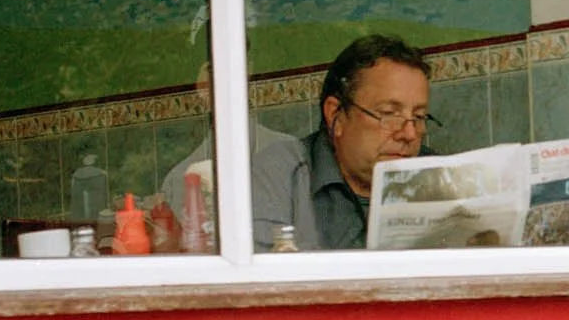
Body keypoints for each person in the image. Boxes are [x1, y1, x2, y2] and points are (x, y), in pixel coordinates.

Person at [158, 64, 317, 252]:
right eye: (212, 71)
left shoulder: (293, 157)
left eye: (239, 67)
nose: (226, 79)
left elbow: (310, 246)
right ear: (201, 87)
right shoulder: (178, 180)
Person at [305, 35, 435, 249]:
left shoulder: (440, 177)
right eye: (389, 114)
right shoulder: (285, 182)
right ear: (335, 114)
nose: (410, 133)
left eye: (419, 116)